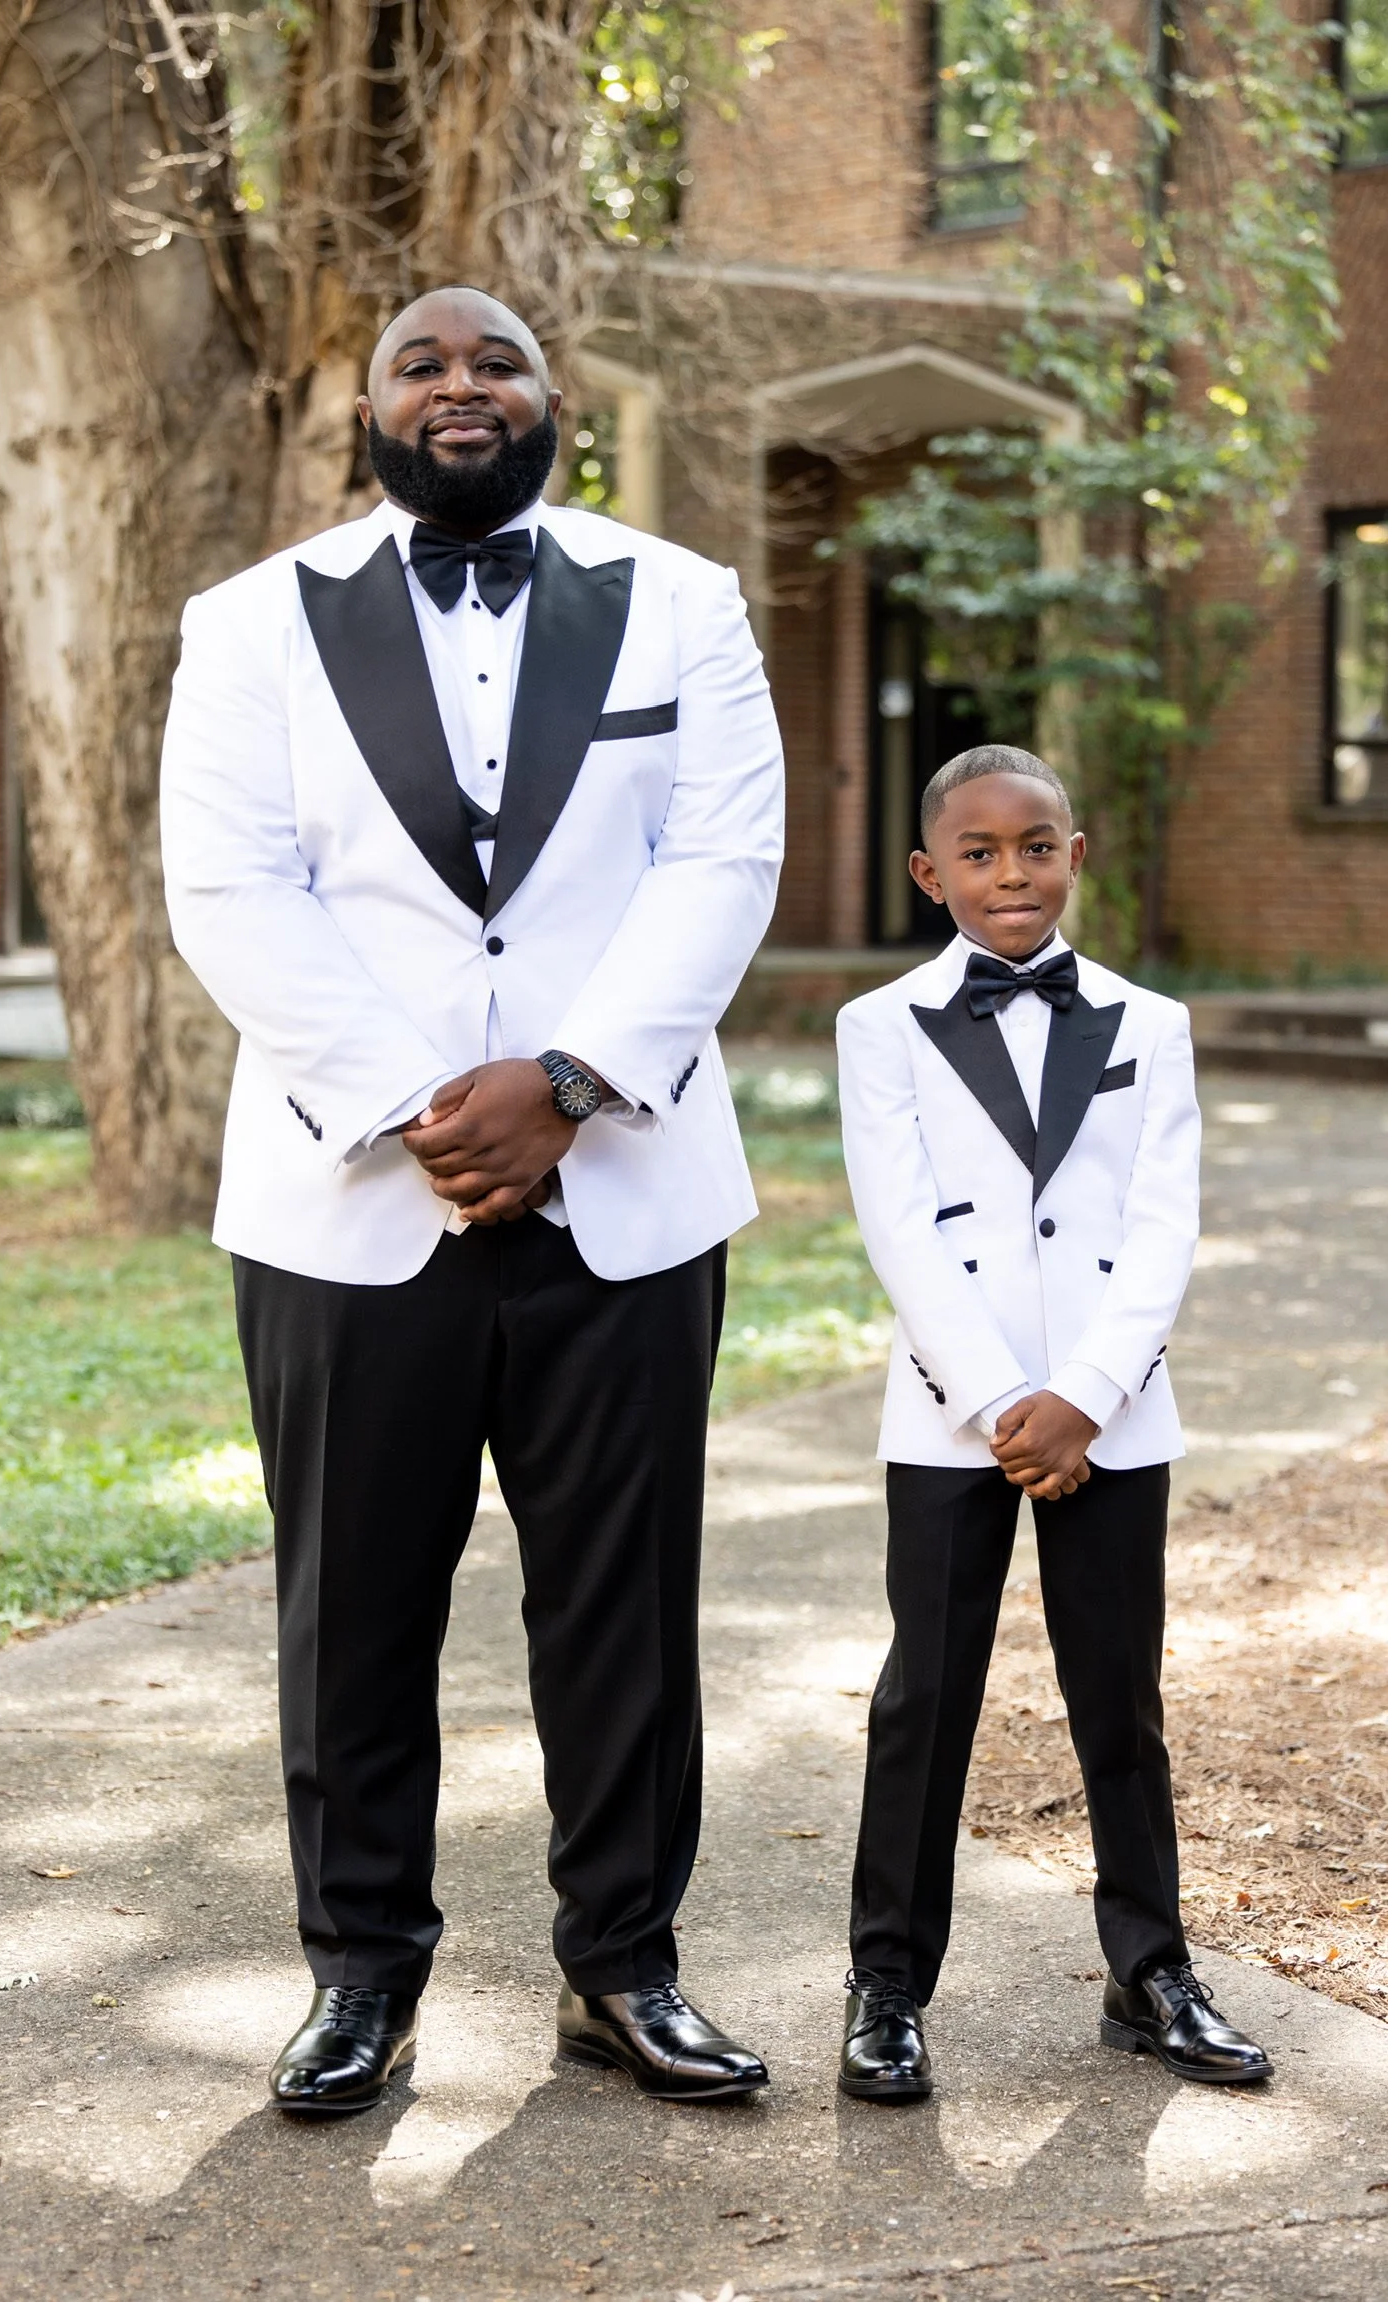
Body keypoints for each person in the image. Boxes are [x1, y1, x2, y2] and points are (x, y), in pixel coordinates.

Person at [159, 286, 783, 2115]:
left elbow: (723, 856)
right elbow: (229, 882)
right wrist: (422, 1111)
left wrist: (568, 1085)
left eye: (494, 360)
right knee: (351, 1605)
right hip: (352, 1200)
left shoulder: (684, 599)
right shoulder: (246, 623)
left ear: (552, 399)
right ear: (363, 408)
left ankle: (623, 1970)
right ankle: (361, 1976)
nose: (460, 385)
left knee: (623, 1601)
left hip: (627, 1192)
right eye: (421, 363)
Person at [833, 744, 1271, 2103]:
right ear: (929, 871)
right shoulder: (880, 1026)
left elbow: (1161, 1224)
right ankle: (885, 1986)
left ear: (1073, 855)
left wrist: (1084, 1393)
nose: (1007, 870)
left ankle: (1151, 1970)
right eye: (977, 851)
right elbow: (897, 1227)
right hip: (951, 1414)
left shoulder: (1149, 1023)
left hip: (1109, 1413)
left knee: (1115, 1699)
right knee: (924, 1701)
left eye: (1033, 845)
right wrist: (997, 1403)